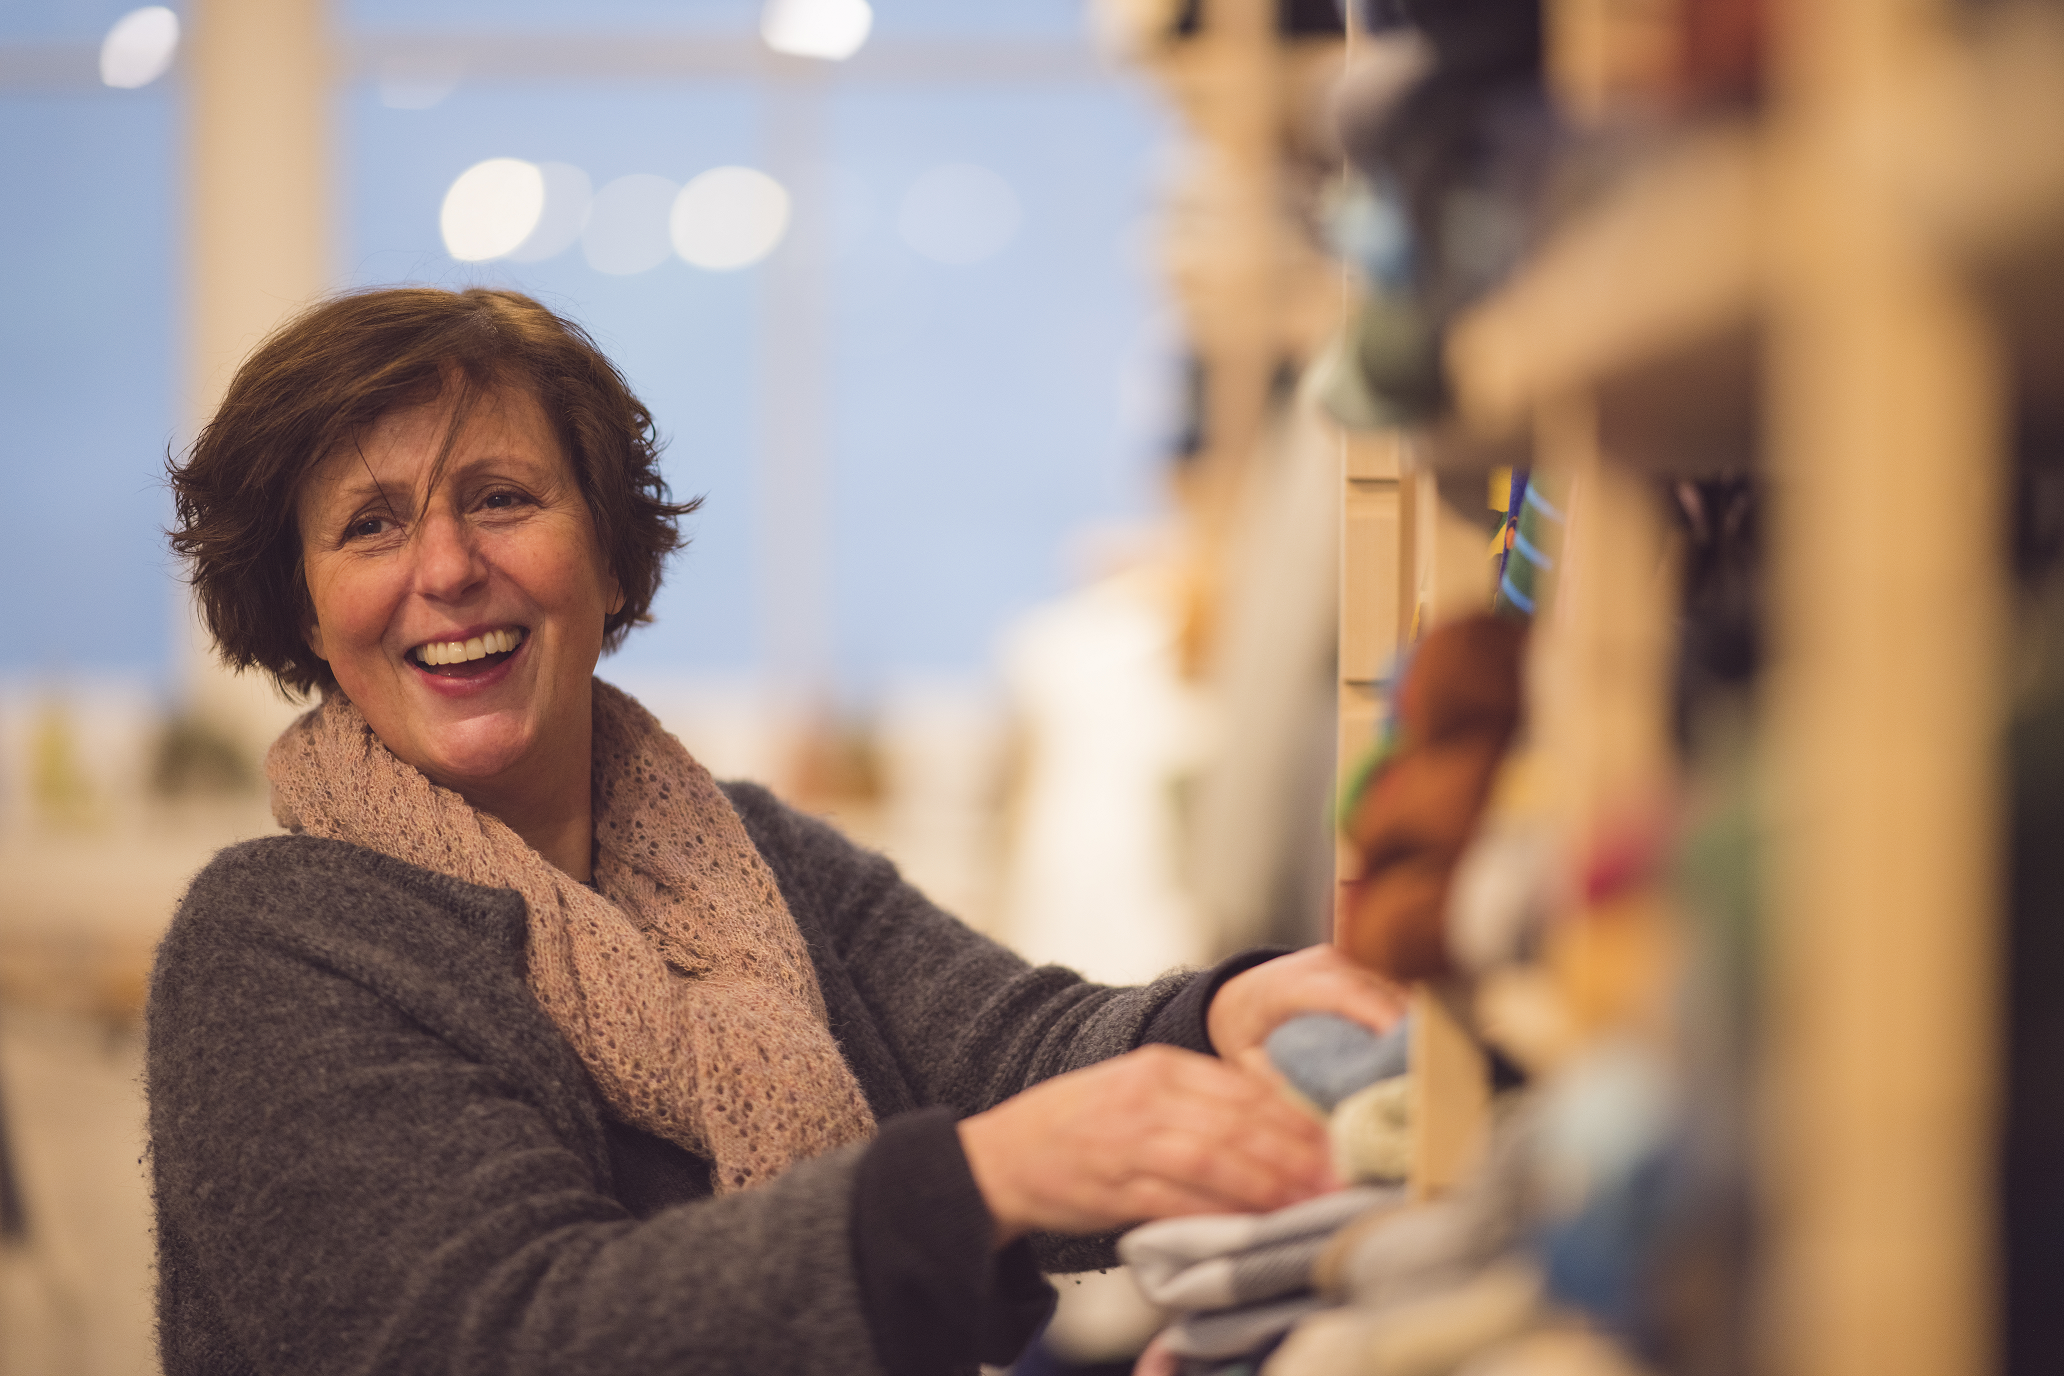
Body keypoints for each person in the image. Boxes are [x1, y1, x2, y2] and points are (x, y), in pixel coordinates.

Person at [150, 287, 1404, 1376]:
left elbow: (1009, 1051)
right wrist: (968, 1186)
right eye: (371, 524)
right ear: (304, 609)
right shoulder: (273, 947)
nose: (446, 567)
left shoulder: (756, 854)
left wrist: (1223, 1020)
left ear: (610, 555)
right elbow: (506, 1333)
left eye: (501, 497)